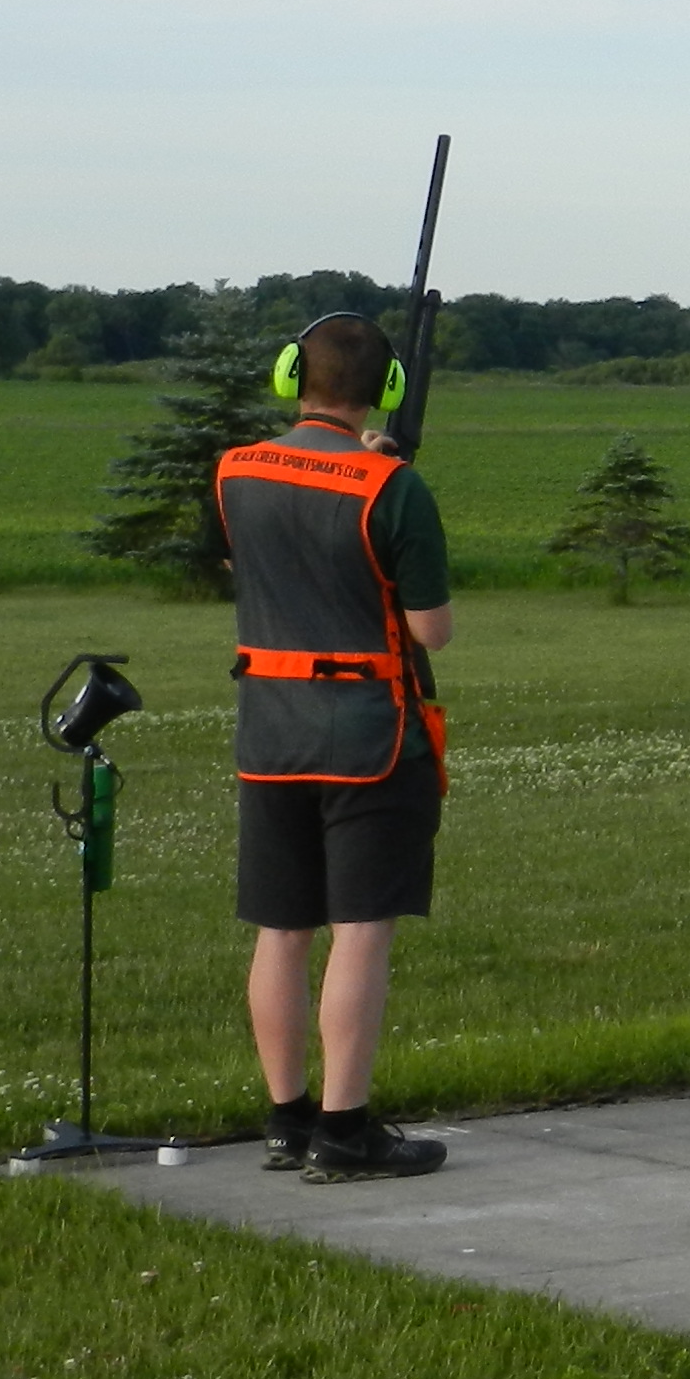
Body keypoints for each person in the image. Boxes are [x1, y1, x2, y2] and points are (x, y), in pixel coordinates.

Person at [218, 312, 454, 1182]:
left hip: (268, 733)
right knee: (361, 931)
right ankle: (345, 1131)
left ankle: (285, 1123)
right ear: (383, 391)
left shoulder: (235, 472)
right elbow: (431, 629)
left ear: (292, 377)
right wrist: (388, 477)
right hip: (370, 738)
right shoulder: (392, 488)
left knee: (281, 933)